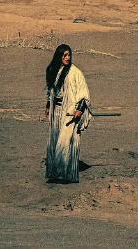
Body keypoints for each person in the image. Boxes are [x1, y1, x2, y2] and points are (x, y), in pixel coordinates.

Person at [44, 43, 91, 183]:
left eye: (69, 55)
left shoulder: (75, 72)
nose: (67, 57)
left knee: (65, 142)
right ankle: (56, 173)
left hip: (70, 113)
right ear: (58, 56)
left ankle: (65, 174)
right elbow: (51, 91)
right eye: (64, 55)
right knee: (55, 140)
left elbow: (84, 94)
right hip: (57, 112)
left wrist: (79, 110)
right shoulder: (53, 70)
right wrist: (48, 106)